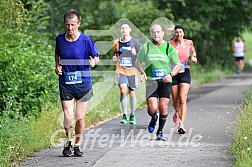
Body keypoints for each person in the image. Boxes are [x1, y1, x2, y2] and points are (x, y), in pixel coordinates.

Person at [54, 9, 99, 157]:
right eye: (67, 25)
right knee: (68, 116)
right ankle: (68, 142)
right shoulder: (60, 39)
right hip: (66, 82)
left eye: (73, 24)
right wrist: (57, 65)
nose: (70, 28)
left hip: (83, 84)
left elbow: (96, 57)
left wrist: (93, 61)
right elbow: (58, 53)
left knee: (79, 118)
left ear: (79, 24)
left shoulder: (86, 40)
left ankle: (77, 145)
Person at [136, 23, 181, 140]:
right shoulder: (146, 47)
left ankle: (160, 132)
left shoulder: (168, 47)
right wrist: (143, 72)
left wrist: (170, 74)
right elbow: (138, 62)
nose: (156, 34)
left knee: (163, 107)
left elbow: (178, 64)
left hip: (165, 81)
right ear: (151, 34)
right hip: (151, 81)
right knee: (152, 108)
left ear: (163, 33)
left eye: (158, 32)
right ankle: (153, 118)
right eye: (154, 32)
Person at [170, 25, 197, 134]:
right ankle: (176, 111)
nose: (179, 34)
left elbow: (193, 52)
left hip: (185, 70)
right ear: (174, 34)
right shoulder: (169, 44)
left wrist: (194, 57)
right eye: (176, 32)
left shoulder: (189, 43)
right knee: (175, 100)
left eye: (180, 32)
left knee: (182, 98)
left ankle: (181, 124)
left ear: (183, 33)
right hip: (173, 72)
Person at [112, 22, 141, 124]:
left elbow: (141, 56)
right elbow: (115, 54)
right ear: (120, 31)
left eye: (126, 28)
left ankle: (132, 115)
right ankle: (124, 114)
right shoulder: (117, 42)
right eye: (122, 28)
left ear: (130, 30)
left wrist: (135, 54)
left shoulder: (135, 42)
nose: (124, 30)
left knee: (132, 93)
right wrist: (115, 57)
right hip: (121, 70)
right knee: (123, 90)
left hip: (132, 70)